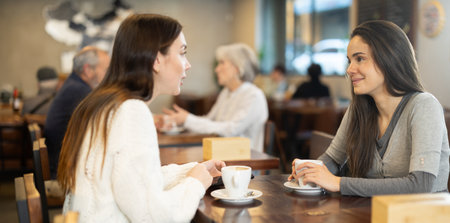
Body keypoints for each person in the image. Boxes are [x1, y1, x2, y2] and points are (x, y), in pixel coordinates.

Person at [57, 14, 225, 222]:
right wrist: (196, 184)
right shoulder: (131, 112)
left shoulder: (104, 103)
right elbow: (152, 216)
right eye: (182, 53)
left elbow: (133, 184)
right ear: (156, 59)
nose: (187, 64)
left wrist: (192, 170)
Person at [289, 20, 450, 197]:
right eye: (349, 61)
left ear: (389, 58)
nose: (350, 69)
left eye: (360, 59)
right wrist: (310, 172)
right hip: (371, 213)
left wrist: (338, 183)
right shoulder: (358, 109)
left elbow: (421, 185)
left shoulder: (424, 106)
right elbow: (333, 159)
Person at [164, 43, 268, 152]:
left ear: (237, 68)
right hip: (223, 153)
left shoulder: (253, 95)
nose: (216, 69)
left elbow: (231, 130)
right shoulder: (226, 92)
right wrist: (180, 120)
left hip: (245, 161)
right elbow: (209, 120)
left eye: (222, 63)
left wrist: (187, 119)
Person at [45, 46, 110, 179]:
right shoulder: (80, 91)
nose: (108, 75)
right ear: (88, 70)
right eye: (106, 70)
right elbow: (106, 127)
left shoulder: (73, 85)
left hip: (65, 164)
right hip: (67, 173)